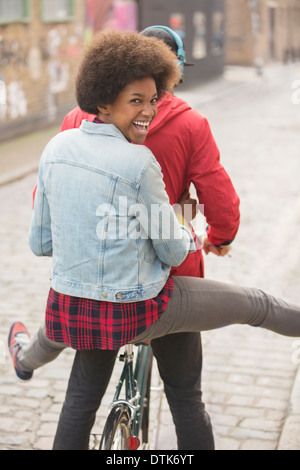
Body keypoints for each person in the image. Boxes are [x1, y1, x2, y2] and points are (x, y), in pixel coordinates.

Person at [8, 31, 300, 452]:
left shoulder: (65, 136)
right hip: (154, 295)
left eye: (154, 97)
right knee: (191, 389)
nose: (149, 108)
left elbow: (44, 229)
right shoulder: (168, 140)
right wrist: (209, 232)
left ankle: (22, 358)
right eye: (138, 98)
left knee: (78, 398)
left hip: (80, 300)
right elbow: (190, 228)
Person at [56, 26, 240, 450]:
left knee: (80, 400)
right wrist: (219, 235)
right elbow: (217, 193)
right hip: (169, 281)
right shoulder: (190, 123)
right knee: (186, 398)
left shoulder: (75, 121)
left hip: (98, 280)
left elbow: (50, 197)